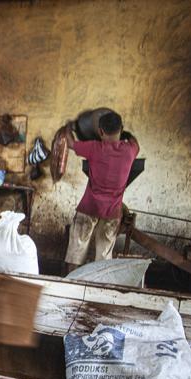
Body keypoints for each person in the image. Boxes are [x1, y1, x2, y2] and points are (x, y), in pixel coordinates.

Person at [63, 111, 139, 274]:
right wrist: (127, 134)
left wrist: (68, 127)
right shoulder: (130, 150)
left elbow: (70, 143)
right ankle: (98, 288)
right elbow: (135, 142)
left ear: (101, 131)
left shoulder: (94, 148)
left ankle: (70, 282)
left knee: (77, 248)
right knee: (103, 256)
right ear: (120, 129)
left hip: (89, 207)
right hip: (112, 212)